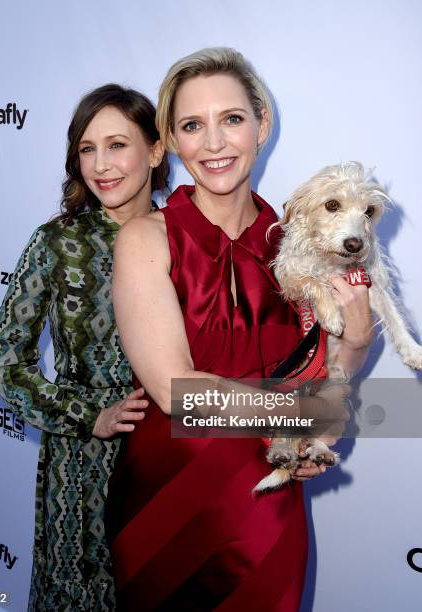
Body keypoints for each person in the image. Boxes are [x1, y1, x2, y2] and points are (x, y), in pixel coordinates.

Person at [105, 49, 373, 611]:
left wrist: (354, 343)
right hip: (164, 504)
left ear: (262, 124)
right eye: (192, 126)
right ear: (172, 142)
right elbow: (176, 393)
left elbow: (328, 379)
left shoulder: (301, 249)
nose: (215, 143)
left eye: (231, 119)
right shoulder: (145, 240)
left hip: (263, 507)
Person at [0, 84, 168, 611]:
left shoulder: (186, 239)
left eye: (117, 145)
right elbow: (4, 363)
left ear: (155, 151)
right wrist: (90, 414)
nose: (101, 165)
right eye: (87, 149)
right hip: (82, 465)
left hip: (172, 451)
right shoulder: (57, 243)